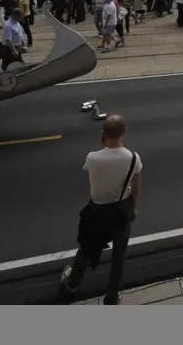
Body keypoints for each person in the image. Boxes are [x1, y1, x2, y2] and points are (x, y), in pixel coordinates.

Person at [59, 115, 142, 305]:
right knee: (118, 257)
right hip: (121, 211)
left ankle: (72, 283)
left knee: (86, 249)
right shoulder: (133, 159)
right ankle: (112, 296)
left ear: (103, 134)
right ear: (125, 132)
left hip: (97, 212)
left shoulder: (92, 158)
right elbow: (136, 189)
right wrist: (133, 208)